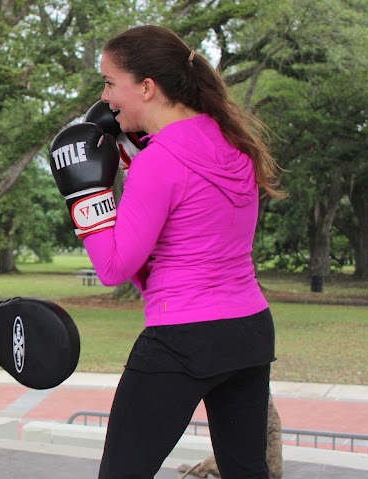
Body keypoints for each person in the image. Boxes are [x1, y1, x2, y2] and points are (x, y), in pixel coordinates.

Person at [81, 25, 285, 477]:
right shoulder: (234, 143)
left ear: (146, 87)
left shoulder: (159, 161)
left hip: (183, 336)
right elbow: (188, 236)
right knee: (247, 472)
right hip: (249, 329)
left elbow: (114, 267)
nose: (105, 96)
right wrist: (131, 158)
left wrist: (85, 196)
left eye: (110, 83)